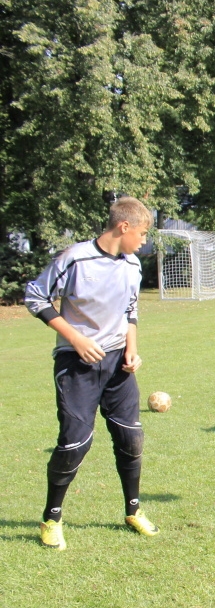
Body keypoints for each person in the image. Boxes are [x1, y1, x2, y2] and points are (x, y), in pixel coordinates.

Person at [23, 196, 160, 549]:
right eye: (142, 233)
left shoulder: (132, 265)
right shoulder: (75, 258)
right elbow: (35, 295)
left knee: (131, 439)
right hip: (75, 365)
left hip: (117, 366)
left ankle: (133, 510)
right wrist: (76, 338)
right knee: (74, 445)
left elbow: (131, 311)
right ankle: (51, 519)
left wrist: (132, 349)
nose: (144, 241)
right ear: (123, 227)